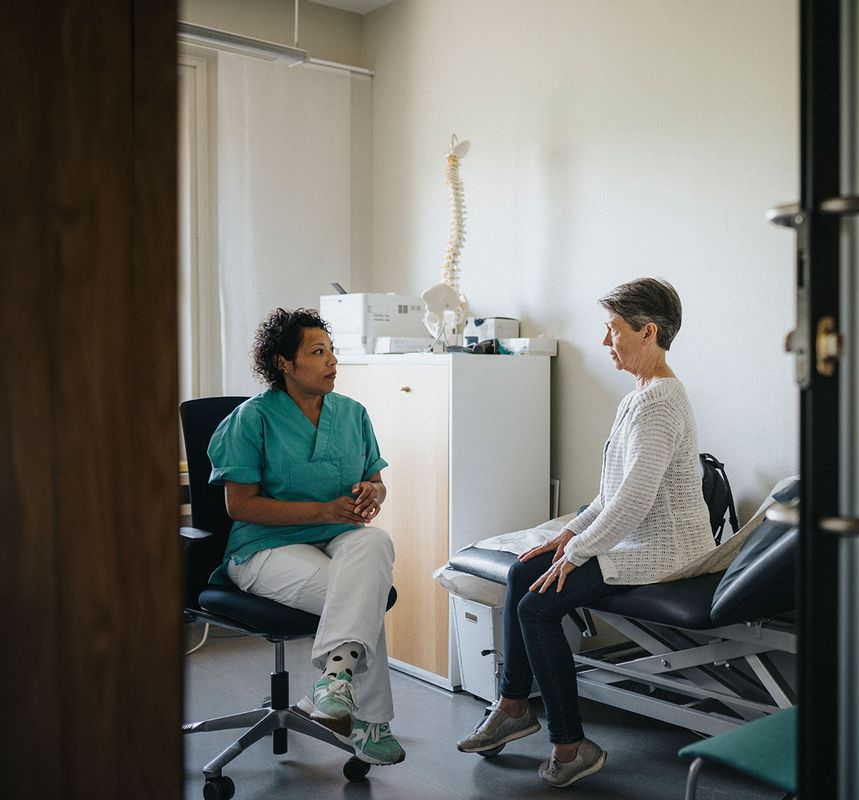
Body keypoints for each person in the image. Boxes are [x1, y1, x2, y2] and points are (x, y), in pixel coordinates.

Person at [455, 278, 714, 787]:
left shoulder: (660, 402)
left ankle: (570, 746)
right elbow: (612, 492)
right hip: (636, 539)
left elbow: (634, 501)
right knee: (523, 569)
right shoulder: (642, 396)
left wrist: (578, 552)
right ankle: (512, 706)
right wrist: (567, 534)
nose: (605, 342)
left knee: (538, 604)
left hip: (666, 553)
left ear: (649, 332)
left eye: (613, 330)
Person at [207, 307, 405, 766]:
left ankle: (334, 684)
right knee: (363, 594)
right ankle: (370, 722)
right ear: (284, 363)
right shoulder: (251, 418)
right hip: (264, 547)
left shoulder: (353, 414)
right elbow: (240, 506)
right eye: (318, 352)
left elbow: (376, 479)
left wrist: (372, 491)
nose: (332, 361)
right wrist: (321, 508)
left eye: (332, 351)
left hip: (337, 538)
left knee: (375, 543)